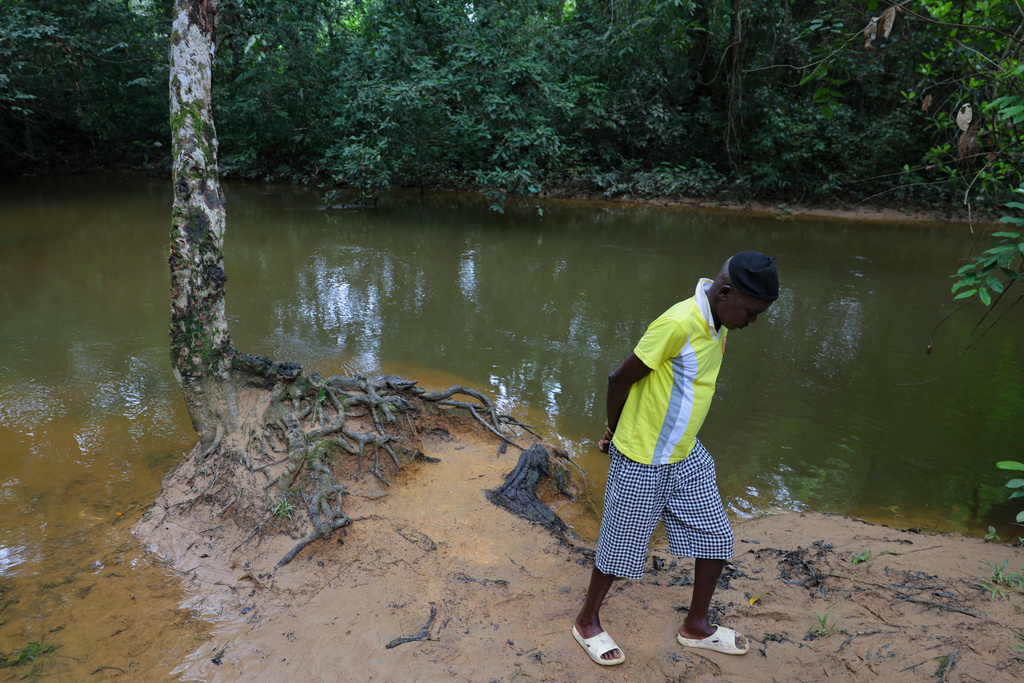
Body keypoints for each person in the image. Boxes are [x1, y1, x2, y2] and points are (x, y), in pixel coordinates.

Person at [572, 251, 779, 666]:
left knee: (718, 539)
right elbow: (619, 378)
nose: (752, 322)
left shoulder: (718, 320)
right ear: (724, 293)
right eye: (750, 312)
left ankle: (696, 626)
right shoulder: (678, 323)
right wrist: (613, 431)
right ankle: (586, 621)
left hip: (685, 453)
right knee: (619, 548)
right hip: (643, 457)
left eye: (758, 314)